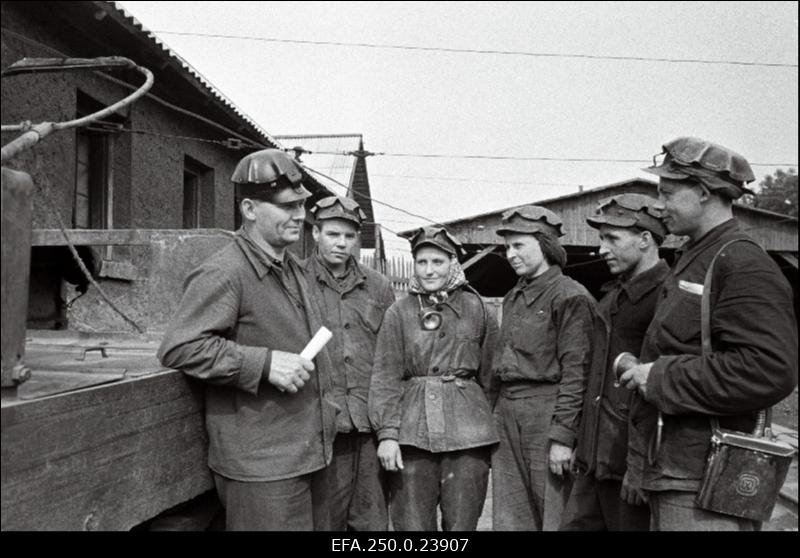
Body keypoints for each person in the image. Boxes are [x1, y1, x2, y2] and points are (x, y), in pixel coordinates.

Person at [619, 137, 798, 531]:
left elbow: (768, 369)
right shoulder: (696, 257)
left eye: (667, 193)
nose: (658, 205)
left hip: (706, 483)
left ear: (703, 192)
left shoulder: (741, 262)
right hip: (676, 470)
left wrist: (660, 376)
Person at [157, 149, 339, 531]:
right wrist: (265, 363)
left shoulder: (290, 267)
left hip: (308, 456)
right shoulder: (225, 271)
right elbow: (181, 347)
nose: (300, 216)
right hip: (263, 471)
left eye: (301, 205)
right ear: (250, 209)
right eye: (287, 207)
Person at [369, 226, 499, 531]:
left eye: (438, 262)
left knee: (461, 527)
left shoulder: (478, 308)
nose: (429, 271)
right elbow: (384, 377)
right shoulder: (398, 313)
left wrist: (479, 420)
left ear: (452, 263)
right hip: (412, 437)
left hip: (468, 437)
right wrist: (387, 435)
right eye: (422, 262)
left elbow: (493, 375)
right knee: (412, 527)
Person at [561, 193, 670, 531]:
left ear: (645, 240)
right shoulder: (611, 298)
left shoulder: (669, 298)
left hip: (630, 468)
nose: (602, 249)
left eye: (612, 238)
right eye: (600, 239)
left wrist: (640, 467)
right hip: (595, 461)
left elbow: (663, 393)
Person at [491, 205, 600, 531]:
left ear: (546, 244)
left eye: (519, 245)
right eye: (507, 246)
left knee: (554, 514)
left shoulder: (570, 296)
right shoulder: (513, 296)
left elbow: (577, 373)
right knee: (511, 515)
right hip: (508, 411)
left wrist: (563, 438)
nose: (510, 254)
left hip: (546, 412)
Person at [300, 195, 395, 531]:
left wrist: (389, 427)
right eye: (332, 234)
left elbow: (390, 359)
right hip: (322, 424)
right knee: (325, 520)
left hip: (370, 423)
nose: (341, 244)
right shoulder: (295, 280)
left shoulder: (379, 287)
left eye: (349, 236)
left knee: (371, 522)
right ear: (315, 233)